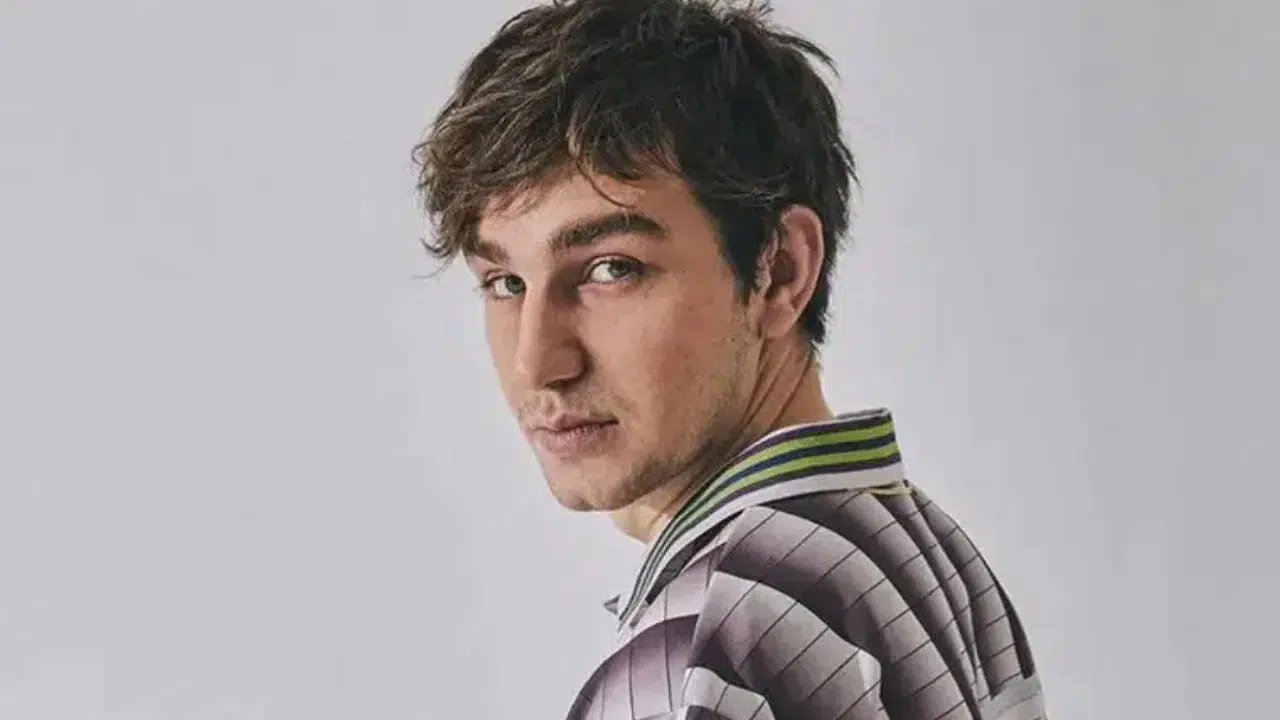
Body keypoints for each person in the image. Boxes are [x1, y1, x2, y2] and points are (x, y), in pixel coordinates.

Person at [412, 1, 1047, 717]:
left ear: (780, 271)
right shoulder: (922, 554)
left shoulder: (707, 650)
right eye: (504, 283)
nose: (536, 361)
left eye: (611, 269)